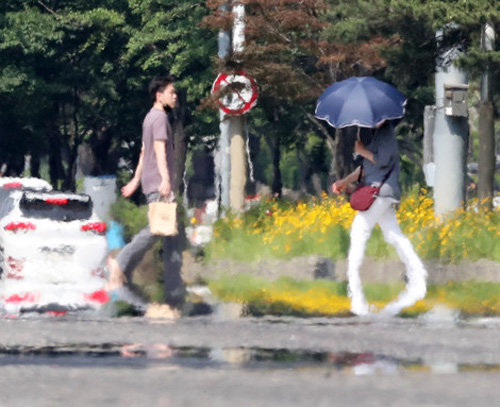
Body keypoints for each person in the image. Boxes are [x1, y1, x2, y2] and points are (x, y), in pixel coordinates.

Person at [106, 75, 186, 317]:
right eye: (171, 92)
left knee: (172, 235)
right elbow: (159, 150)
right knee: (157, 230)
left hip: (152, 182)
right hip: (159, 185)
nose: (175, 96)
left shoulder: (149, 118)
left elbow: (143, 151)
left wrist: (134, 181)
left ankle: (174, 295)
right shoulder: (160, 118)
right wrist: (166, 180)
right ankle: (121, 264)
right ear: (158, 95)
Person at [331, 121, 427, 316]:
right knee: (393, 235)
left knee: (359, 233)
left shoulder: (386, 134)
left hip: (379, 192)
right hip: (379, 192)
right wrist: (343, 182)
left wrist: (361, 150)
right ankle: (419, 276)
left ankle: (355, 294)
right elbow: (365, 169)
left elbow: (382, 161)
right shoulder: (373, 134)